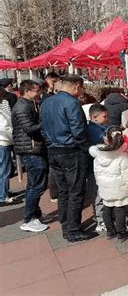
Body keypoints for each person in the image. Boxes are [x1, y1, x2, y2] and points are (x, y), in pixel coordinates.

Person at [40, 74, 94, 242]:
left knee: (63, 190)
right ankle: (73, 229)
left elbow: (43, 127)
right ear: (77, 86)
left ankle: (66, 223)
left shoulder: (47, 102)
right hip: (71, 151)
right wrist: (86, 150)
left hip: (53, 150)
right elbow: (78, 131)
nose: (82, 91)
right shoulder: (72, 103)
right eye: (82, 88)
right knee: (76, 191)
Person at [12, 80, 49, 232]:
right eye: (36, 91)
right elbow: (29, 128)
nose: (39, 93)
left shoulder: (29, 104)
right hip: (30, 149)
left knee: (34, 184)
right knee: (36, 185)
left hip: (33, 148)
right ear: (27, 91)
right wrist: (46, 122)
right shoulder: (22, 106)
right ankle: (28, 218)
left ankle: (33, 213)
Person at [89, 126, 128, 241]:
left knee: (106, 208)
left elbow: (96, 172)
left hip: (104, 187)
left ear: (106, 138)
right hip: (119, 187)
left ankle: (110, 231)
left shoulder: (98, 155)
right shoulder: (122, 155)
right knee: (119, 209)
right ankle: (121, 232)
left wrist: (100, 183)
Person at [87, 104, 109, 232]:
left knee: (98, 193)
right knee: (98, 193)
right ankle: (100, 220)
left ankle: (99, 216)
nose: (106, 119)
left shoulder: (97, 128)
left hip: (97, 166)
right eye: (104, 116)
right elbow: (103, 146)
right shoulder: (94, 131)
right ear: (94, 117)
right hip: (95, 167)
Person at [0, 85, 14, 204]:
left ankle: (4, 191)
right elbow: (4, 126)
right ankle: (3, 194)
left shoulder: (4, 103)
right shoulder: (2, 106)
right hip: (3, 140)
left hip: (4, 139)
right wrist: (13, 136)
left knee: (3, 168)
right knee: (4, 169)